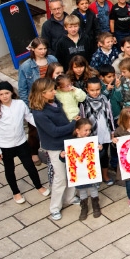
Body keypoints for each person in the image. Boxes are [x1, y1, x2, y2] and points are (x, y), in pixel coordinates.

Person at [0, 81, 46, 205]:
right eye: (1, 94)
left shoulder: (20, 104)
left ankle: (39, 186)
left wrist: (42, 125)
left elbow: (28, 116)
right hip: (5, 146)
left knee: (30, 166)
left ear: (11, 93)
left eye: (6, 93)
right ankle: (15, 192)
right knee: (10, 169)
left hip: (21, 142)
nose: (4, 96)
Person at [29, 78, 76, 221]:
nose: (54, 92)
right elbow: (54, 131)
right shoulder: (39, 113)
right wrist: (73, 124)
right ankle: (55, 207)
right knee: (60, 178)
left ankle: (70, 198)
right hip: (55, 147)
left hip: (68, 142)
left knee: (71, 172)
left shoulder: (54, 102)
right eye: (51, 90)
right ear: (42, 93)